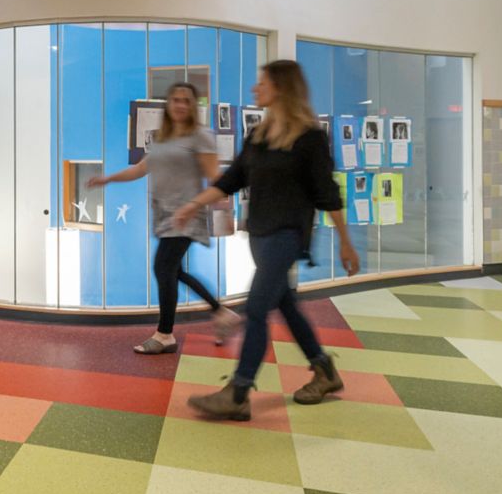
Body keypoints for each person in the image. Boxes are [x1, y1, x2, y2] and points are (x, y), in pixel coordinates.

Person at [173, 60, 360, 419]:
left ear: (282, 88)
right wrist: (194, 204)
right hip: (259, 235)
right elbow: (232, 180)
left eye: (262, 83)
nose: (254, 89)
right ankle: (324, 371)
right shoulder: (258, 135)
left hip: (287, 235)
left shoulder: (309, 138)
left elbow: (327, 194)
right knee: (286, 304)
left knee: (257, 308)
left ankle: (239, 393)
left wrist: (346, 243)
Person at [89, 82, 236, 354]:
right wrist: (108, 179)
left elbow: (216, 178)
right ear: (168, 104)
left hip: (186, 214)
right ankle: (221, 313)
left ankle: (165, 334)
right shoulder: (162, 138)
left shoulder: (201, 136)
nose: (180, 104)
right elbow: (141, 169)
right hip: (163, 214)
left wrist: (227, 211)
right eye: (176, 99)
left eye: (186, 100)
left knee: (163, 268)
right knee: (173, 271)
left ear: (193, 106)